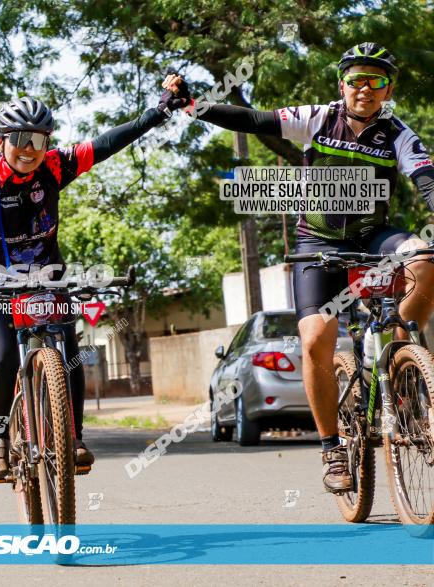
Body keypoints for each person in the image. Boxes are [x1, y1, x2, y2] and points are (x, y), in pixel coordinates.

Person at [166, 42, 434, 493]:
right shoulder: (317, 118)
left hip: (373, 234)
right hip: (317, 239)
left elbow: (427, 180)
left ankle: (401, 358)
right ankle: (331, 447)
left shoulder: (399, 134)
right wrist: (194, 104)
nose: (365, 89)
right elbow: (253, 120)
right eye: (356, 79)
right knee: (315, 341)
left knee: (425, 260)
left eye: (377, 80)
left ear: (388, 89)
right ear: (342, 84)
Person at [0, 88, 185, 479]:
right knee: (4, 357)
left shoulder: (55, 167)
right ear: (1, 142)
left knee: (68, 347)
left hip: (46, 278)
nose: (29, 149)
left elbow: (107, 142)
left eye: (38, 140)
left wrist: (157, 113)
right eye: (19, 140)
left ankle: (73, 437)